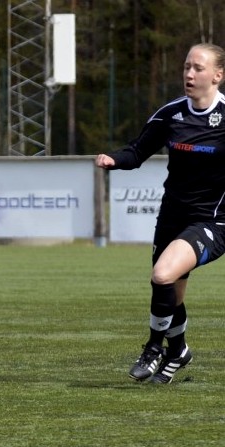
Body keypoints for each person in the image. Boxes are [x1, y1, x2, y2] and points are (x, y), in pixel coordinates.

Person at [96, 43, 225, 384]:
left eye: (197, 68)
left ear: (218, 75)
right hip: (172, 217)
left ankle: (154, 348)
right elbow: (137, 152)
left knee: (163, 274)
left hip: (212, 221)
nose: (189, 74)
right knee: (170, 292)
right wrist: (114, 159)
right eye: (186, 67)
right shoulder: (171, 114)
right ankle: (178, 350)